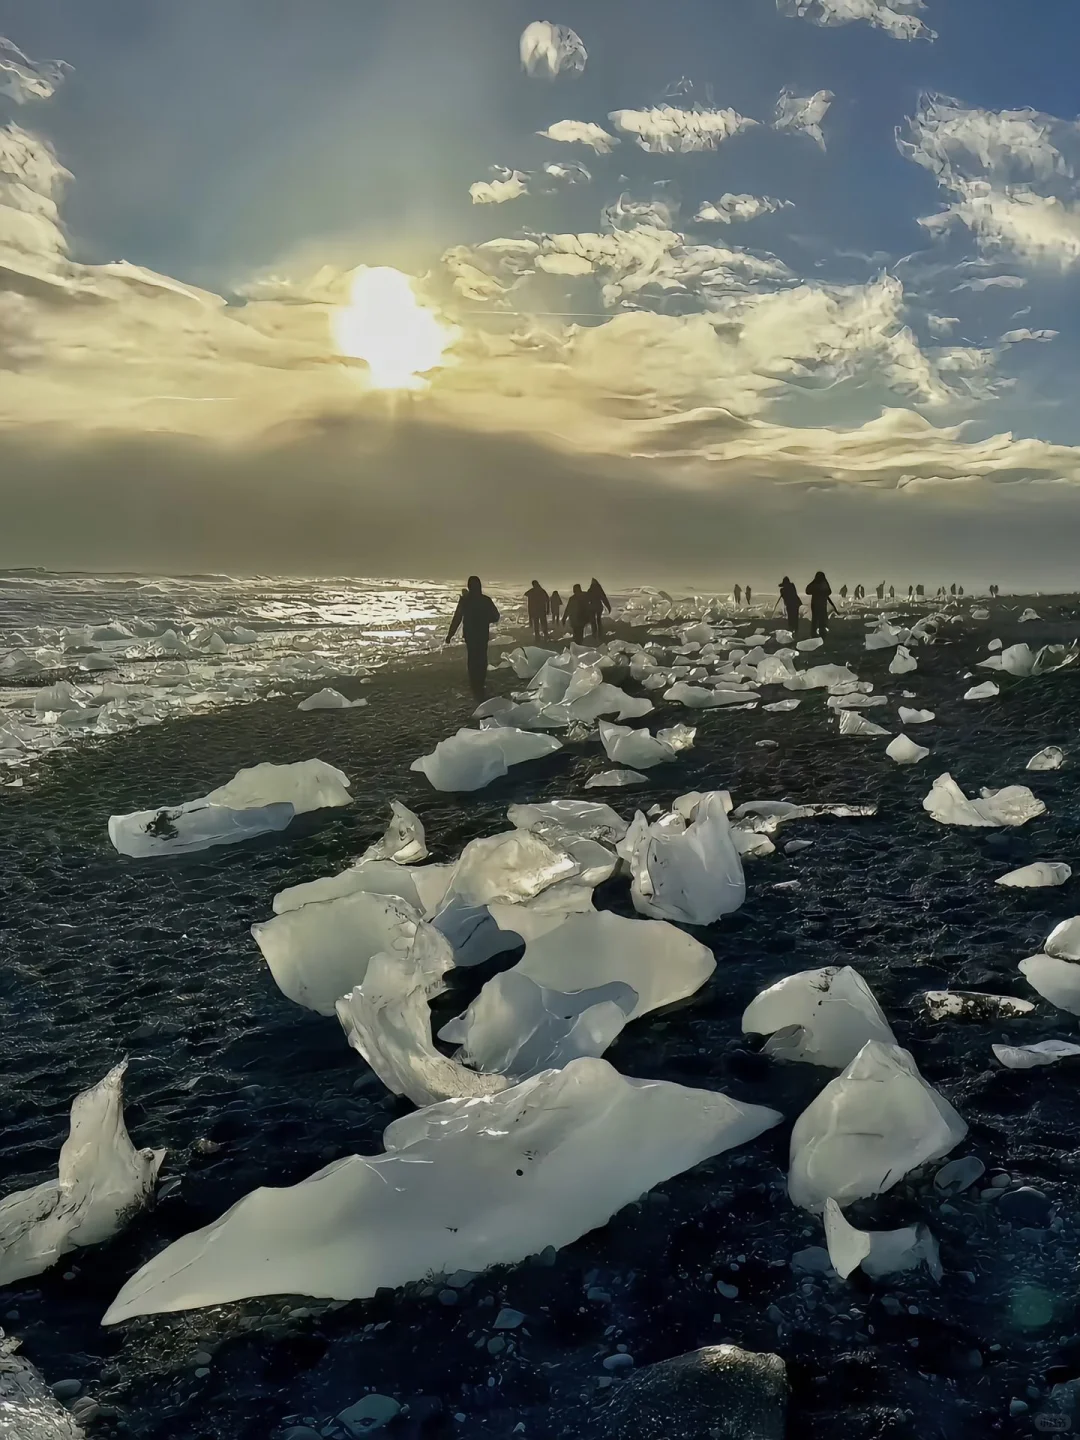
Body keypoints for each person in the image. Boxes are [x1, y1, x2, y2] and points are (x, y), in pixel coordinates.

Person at [446, 575, 500, 700]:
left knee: (472, 657)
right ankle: (480, 682)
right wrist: (486, 618)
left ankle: (474, 683)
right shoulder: (485, 600)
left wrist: (450, 634)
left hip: (470, 634)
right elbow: (496, 616)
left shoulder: (465, 601)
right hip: (482, 634)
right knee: (481, 657)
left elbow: (457, 618)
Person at [806, 571, 838, 638]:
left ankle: (815, 634)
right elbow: (829, 591)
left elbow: (808, 590)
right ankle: (821, 634)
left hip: (816, 605)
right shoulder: (823, 584)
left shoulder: (816, 584)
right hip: (821, 605)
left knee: (816, 620)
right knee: (821, 620)